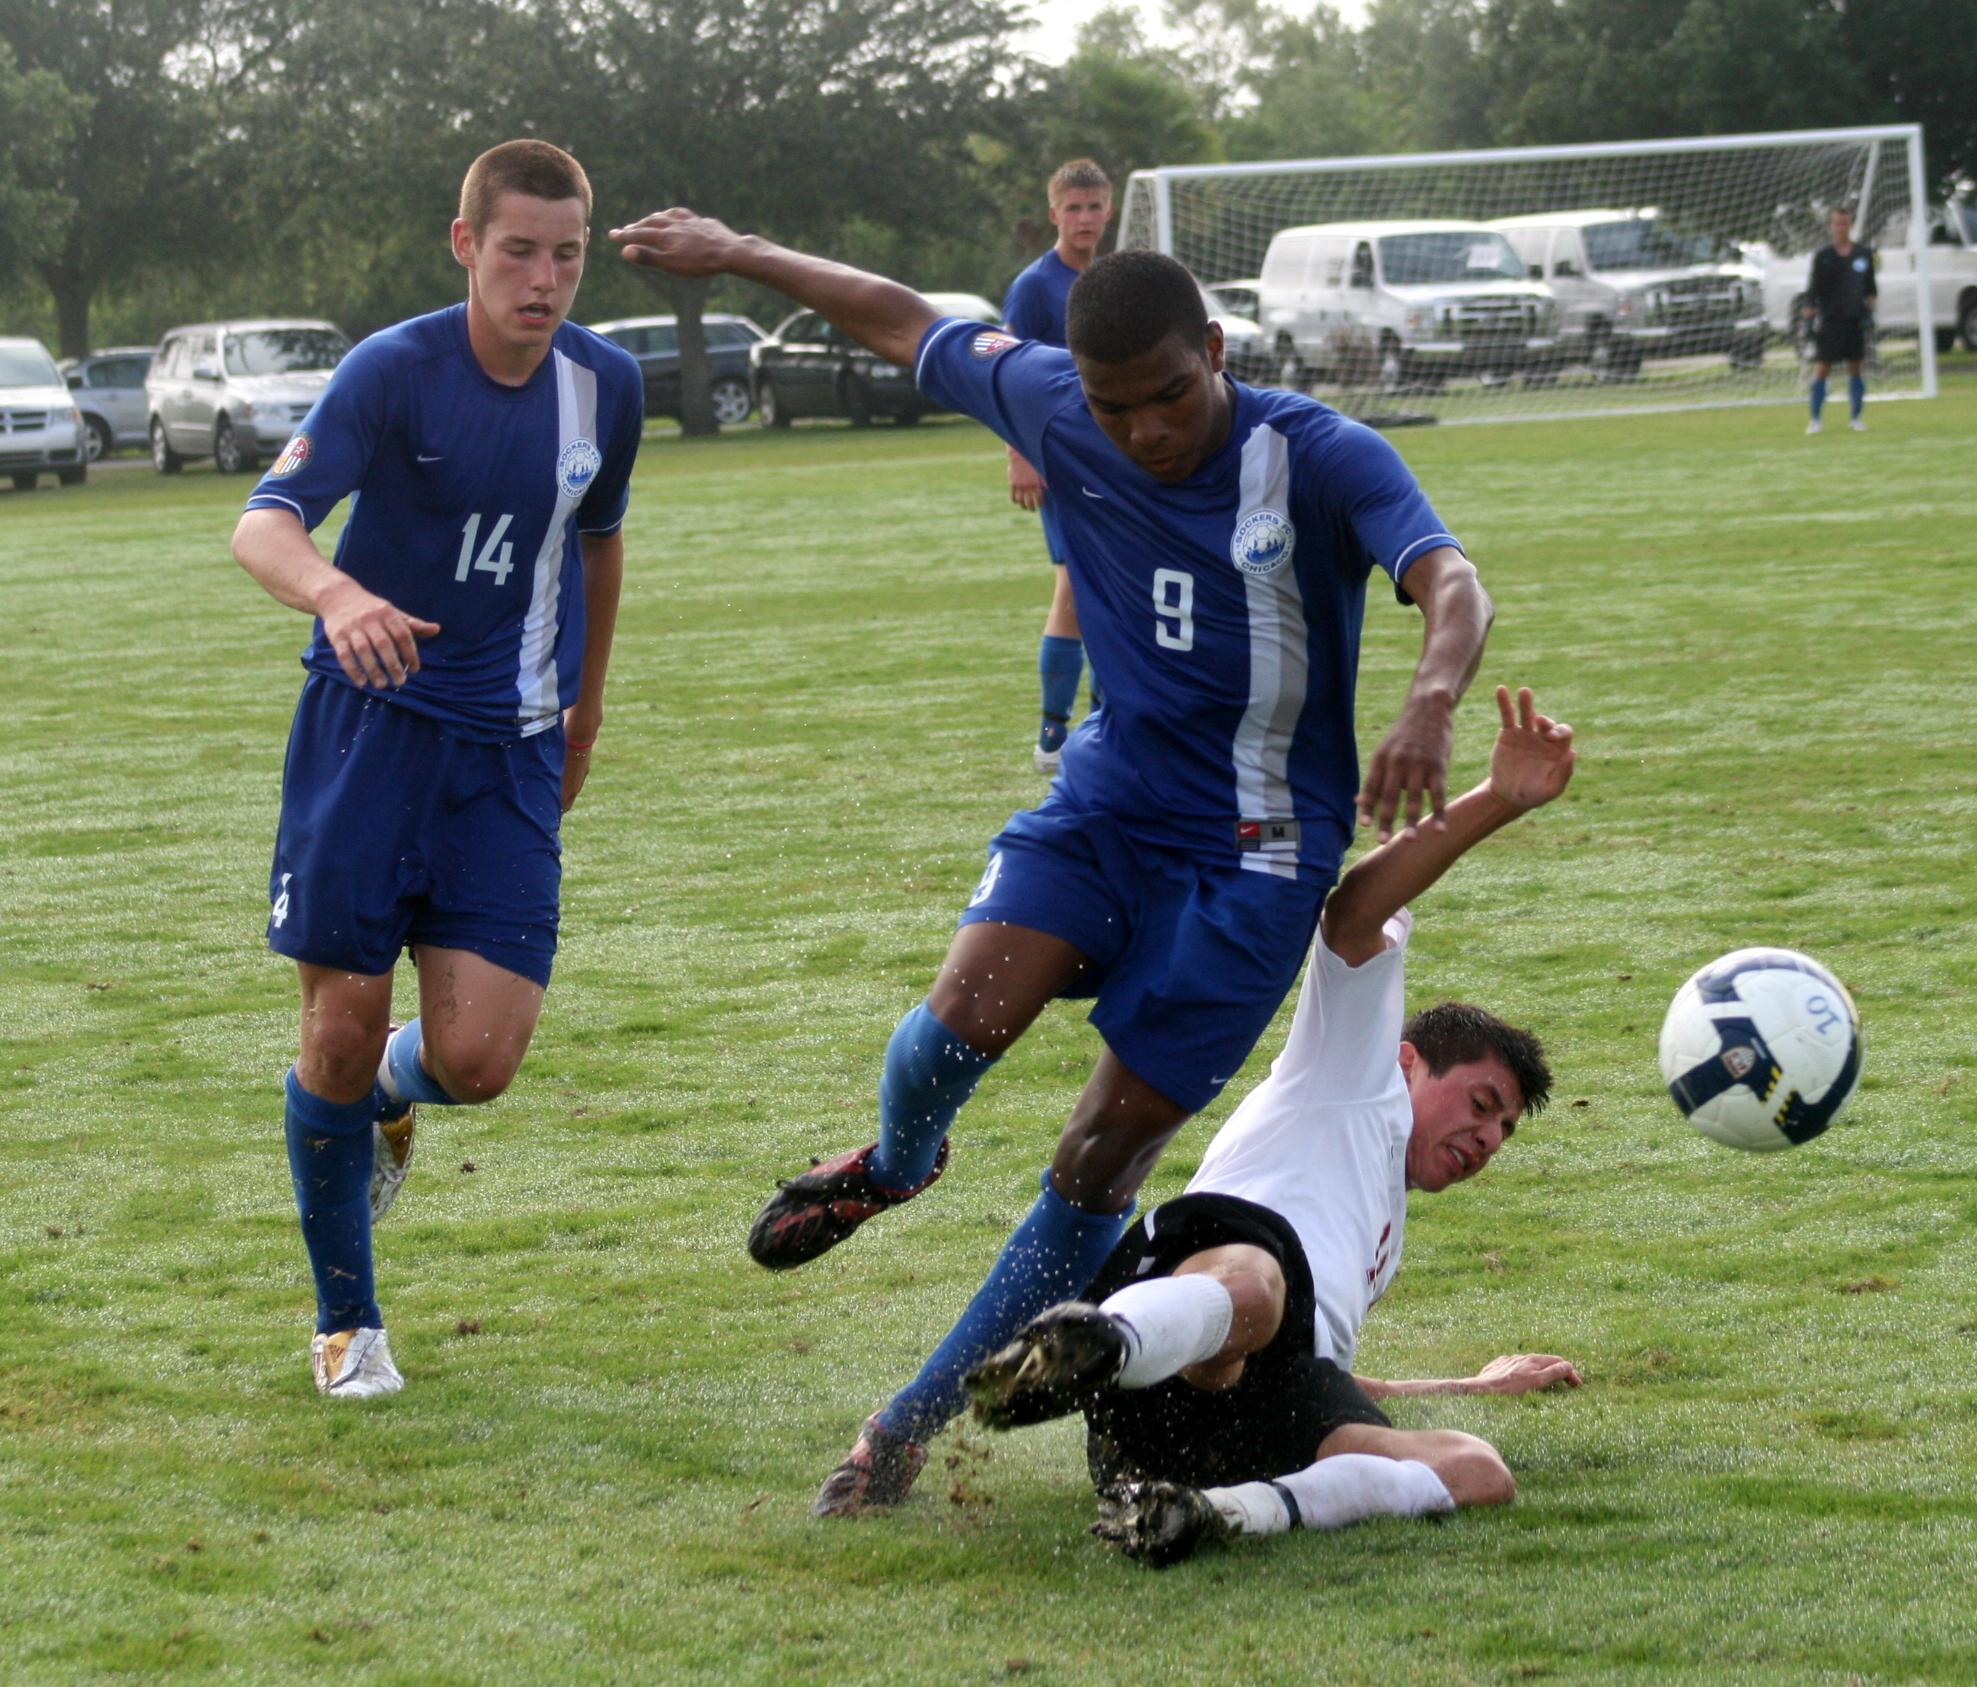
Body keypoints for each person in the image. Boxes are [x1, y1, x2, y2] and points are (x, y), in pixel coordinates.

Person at [610, 208, 1495, 1515]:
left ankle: (904, 1424)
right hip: (1110, 800)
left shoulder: (1314, 455)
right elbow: (904, 312)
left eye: (1168, 397)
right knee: (951, 1027)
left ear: (1214, 347)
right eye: (1112, 405)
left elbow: (1449, 576)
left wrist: (1428, 698)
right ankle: (900, 1160)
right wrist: (744, 248)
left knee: (1100, 1155)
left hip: (1259, 861)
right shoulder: (1049, 401)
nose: (1142, 428)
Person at [964, 686, 1581, 1567]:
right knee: (1256, 1286)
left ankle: (1212, 1513)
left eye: (1503, 1132)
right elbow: (1352, 911)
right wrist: (1496, 800)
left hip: (1212, 1419)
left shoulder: (1379, 1238)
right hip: (1189, 1297)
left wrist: (1471, 1385)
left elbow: (1321, 1373)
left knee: (1476, 1469)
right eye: (1481, 1104)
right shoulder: (1354, 1076)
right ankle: (1091, 1343)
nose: (1486, 1139)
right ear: (1409, 1061)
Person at [232, 140, 644, 1398]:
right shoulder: (394, 370)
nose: (544, 277)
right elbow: (265, 522)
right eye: (518, 249)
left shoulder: (605, 387)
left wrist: (582, 716)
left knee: (482, 1061)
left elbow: (601, 548)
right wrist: (338, 591)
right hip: (368, 738)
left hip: (509, 755)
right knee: (338, 1023)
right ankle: (347, 1324)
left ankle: (390, 1101)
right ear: (465, 244)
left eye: (567, 254)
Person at [1000, 158, 1113, 774]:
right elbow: (1002, 375)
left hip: (1115, 456)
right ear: (1053, 214)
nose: (1085, 218)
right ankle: (1053, 734)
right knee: (1076, 581)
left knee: (1111, 578)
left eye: (1095, 206)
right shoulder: (1035, 287)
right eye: (1074, 208)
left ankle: (1101, 720)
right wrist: (1018, 452)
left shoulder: (1110, 281)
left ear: (1109, 210)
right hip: (1058, 457)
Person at [1803, 205, 1877, 435]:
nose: (1841, 227)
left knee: (1856, 368)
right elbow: (1812, 290)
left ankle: (1855, 418)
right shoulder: (1823, 256)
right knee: (1823, 368)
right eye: (1837, 223)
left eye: (1845, 223)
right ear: (1831, 226)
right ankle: (1815, 419)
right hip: (1831, 320)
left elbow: (1871, 290)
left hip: (1855, 321)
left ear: (1851, 225)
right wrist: (1809, 318)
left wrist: (1869, 314)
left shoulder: (1863, 255)